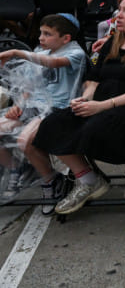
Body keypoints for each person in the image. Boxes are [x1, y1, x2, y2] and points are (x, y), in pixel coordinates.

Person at [32, 0, 125, 215]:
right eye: (119, 10)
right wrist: (86, 97)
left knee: (96, 127)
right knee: (53, 124)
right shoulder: (114, 41)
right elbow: (94, 77)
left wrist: (104, 105)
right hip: (102, 100)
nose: (119, 16)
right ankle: (87, 179)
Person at [0, 14, 87, 208]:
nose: (41, 38)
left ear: (66, 38)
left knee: (25, 140)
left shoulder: (75, 54)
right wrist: (18, 106)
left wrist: (16, 52)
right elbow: (30, 87)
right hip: (35, 107)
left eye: (48, 34)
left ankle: (50, 180)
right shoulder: (42, 52)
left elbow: (54, 63)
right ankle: (18, 169)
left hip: (57, 108)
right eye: (40, 32)